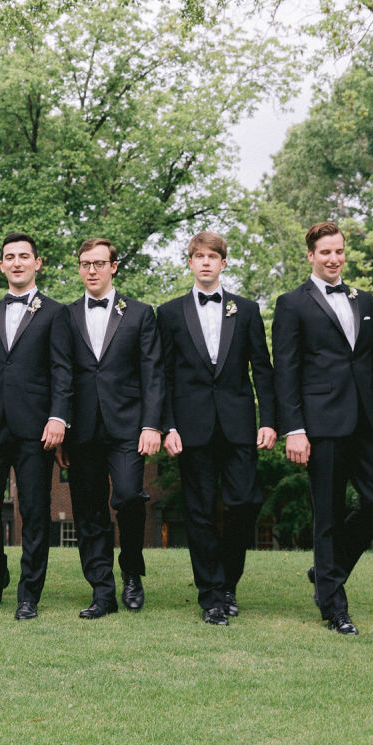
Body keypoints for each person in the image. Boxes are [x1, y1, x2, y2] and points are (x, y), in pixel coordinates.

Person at [272, 220, 373, 635]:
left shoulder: (362, 298)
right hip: (321, 424)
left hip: (367, 420)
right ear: (310, 256)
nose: (334, 259)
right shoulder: (291, 303)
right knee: (327, 514)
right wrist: (293, 428)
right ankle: (334, 606)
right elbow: (286, 372)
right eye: (325, 252)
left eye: (339, 251)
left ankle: (326, 569)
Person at [158, 231, 276, 625]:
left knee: (243, 504)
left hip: (239, 425)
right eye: (199, 256)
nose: (206, 262)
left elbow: (262, 368)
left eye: (213, 257)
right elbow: (164, 376)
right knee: (200, 510)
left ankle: (229, 582)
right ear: (190, 263)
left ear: (223, 263)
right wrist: (167, 426)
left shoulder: (246, 310)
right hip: (191, 428)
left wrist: (270, 421)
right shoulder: (170, 313)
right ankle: (210, 594)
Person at [53, 238, 163, 618]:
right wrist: (62, 426)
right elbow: (62, 374)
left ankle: (132, 570)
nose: (92, 270)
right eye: (85, 263)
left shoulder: (140, 313)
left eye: (99, 263)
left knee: (130, 497)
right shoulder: (65, 316)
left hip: (129, 427)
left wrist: (152, 425)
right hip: (81, 430)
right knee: (89, 511)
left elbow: (153, 374)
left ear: (114, 267)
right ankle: (102, 590)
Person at [0, 233, 70, 620]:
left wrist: (58, 416)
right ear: (1, 265)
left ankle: (29, 593)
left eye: (23, 256)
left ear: (37, 263)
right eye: (9, 257)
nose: (16, 262)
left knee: (34, 508)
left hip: (36, 428)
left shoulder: (56, 312)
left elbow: (62, 369)